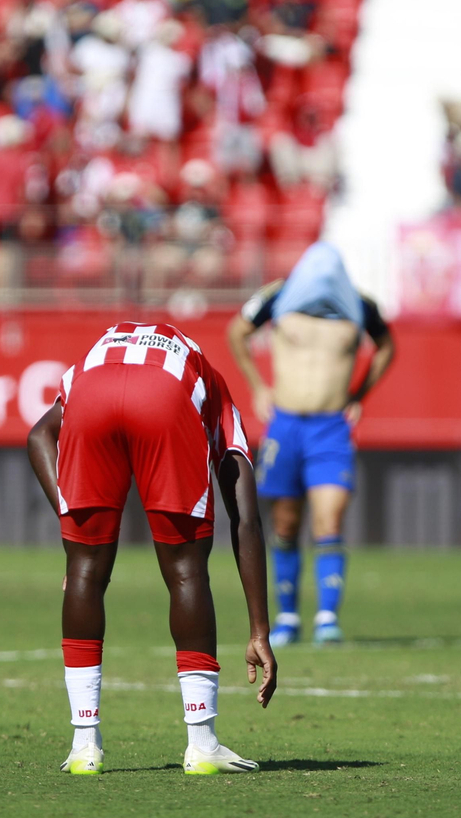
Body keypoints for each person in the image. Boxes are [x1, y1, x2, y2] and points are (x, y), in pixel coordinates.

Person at [26, 322, 277, 776]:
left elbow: (37, 436)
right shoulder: (211, 382)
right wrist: (259, 629)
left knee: (85, 569)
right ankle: (201, 742)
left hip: (92, 390)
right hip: (164, 396)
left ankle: (85, 746)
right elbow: (247, 517)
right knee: (185, 570)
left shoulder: (99, 349)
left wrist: (71, 524)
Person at [225, 243, 395, 647]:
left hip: (331, 428)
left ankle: (327, 618)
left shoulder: (359, 304)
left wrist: (360, 394)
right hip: (285, 425)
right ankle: (286, 617)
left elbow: (387, 346)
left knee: (328, 520)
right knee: (284, 523)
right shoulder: (278, 295)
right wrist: (257, 386)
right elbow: (237, 331)